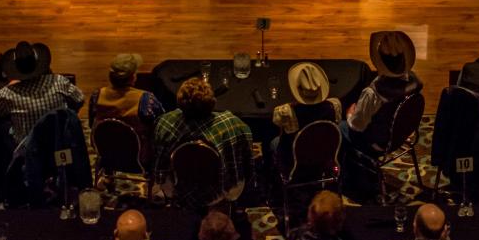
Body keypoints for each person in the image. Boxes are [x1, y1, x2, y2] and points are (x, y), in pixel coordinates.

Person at [153, 77, 253, 206]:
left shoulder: (165, 123)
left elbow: (158, 162)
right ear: (212, 102)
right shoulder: (233, 124)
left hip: (177, 190)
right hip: (220, 191)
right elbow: (247, 160)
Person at [345, 32, 423, 193]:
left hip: (377, 142)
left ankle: (352, 181)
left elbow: (357, 126)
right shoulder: (415, 82)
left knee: (339, 128)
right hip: (401, 135)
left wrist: (349, 115)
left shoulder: (373, 93)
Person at [0, 41, 84, 144]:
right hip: (60, 143)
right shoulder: (59, 81)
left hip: (29, 150)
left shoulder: (9, 93)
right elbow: (80, 99)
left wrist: (10, 85)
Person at [271, 61, 342, 173]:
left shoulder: (287, 112)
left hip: (295, 161)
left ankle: (275, 175)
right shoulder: (334, 106)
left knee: (274, 142)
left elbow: (278, 126)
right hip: (323, 156)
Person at [93, 53, 164, 151]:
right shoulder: (146, 99)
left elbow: (92, 124)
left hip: (106, 153)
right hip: (139, 157)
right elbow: (161, 125)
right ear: (132, 78)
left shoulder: (97, 96)